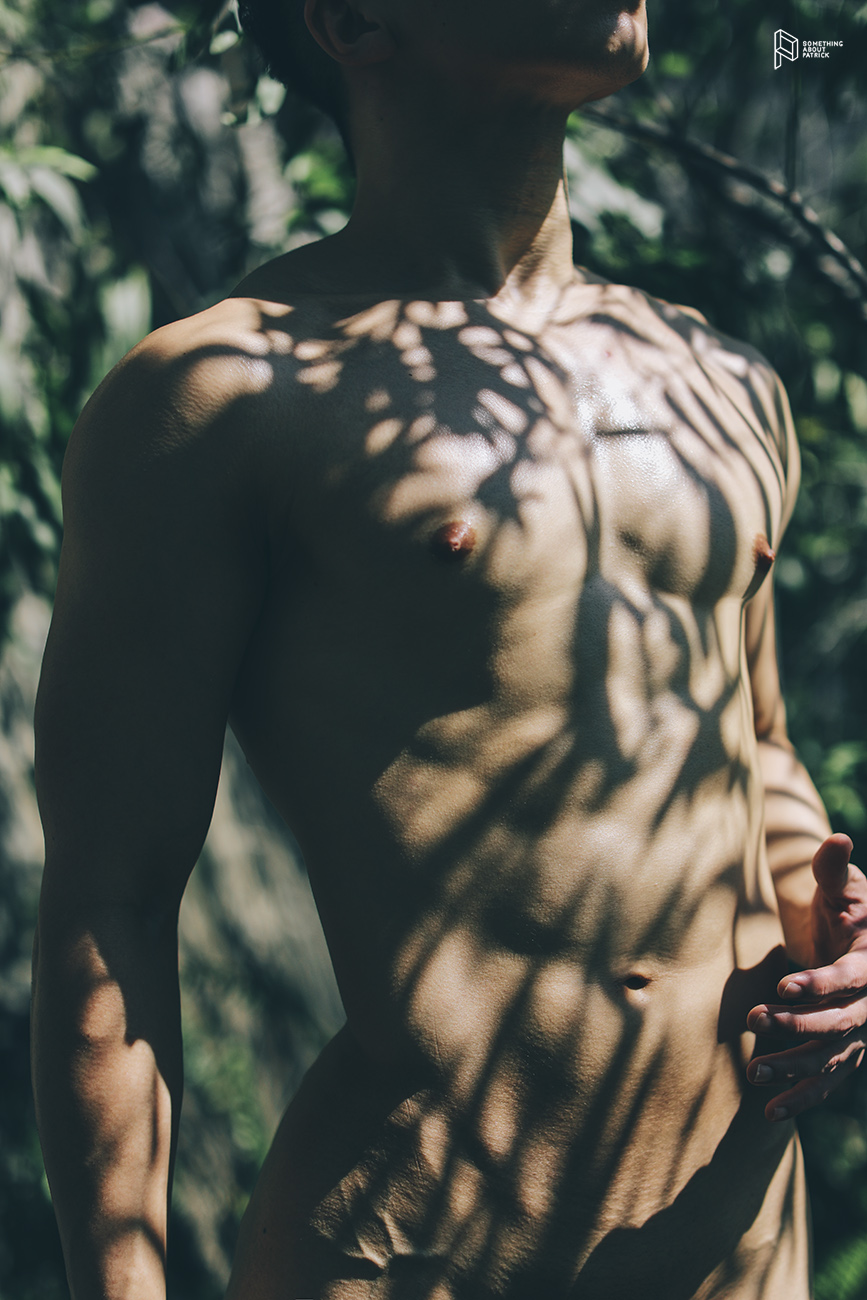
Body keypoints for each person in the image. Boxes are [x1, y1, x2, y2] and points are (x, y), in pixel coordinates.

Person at [30, 1, 867, 1297]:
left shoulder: (721, 385)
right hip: (422, 1253)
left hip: (741, 1250)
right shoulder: (222, 401)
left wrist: (833, 926)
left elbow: (756, 753)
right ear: (355, 19)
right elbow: (111, 905)